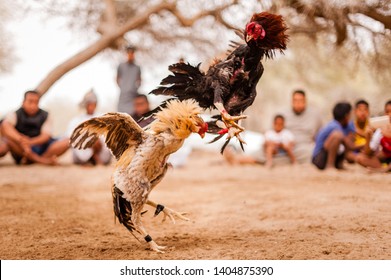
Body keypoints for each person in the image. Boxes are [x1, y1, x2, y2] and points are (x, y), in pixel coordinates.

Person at [1, 90, 69, 165]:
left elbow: (46, 136)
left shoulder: (45, 115)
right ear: (23, 102)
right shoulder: (14, 114)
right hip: (21, 148)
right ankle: (41, 160)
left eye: (36, 102)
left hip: (42, 147)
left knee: (68, 141)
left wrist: (30, 142)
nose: (33, 106)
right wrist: (21, 140)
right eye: (30, 102)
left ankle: (34, 159)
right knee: (7, 140)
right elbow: (5, 126)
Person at [67, 90, 112, 165]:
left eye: (93, 104)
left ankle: (95, 159)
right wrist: (88, 139)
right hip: (83, 148)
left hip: (100, 148)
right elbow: (71, 135)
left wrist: (96, 139)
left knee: (98, 141)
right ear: (85, 105)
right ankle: (91, 160)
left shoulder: (102, 118)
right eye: (89, 104)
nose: (91, 107)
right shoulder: (77, 120)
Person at [312, 102, 355, 170]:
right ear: (346, 116)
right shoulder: (334, 126)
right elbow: (349, 145)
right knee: (337, 136)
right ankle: (330, 165)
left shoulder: (345, 126)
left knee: (343, 138)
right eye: (350, 115)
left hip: (326, 155)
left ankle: (339, 164)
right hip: (319, 158)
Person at [284, 89, 322, 163]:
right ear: (292, 101)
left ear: (305, 101)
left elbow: (319, 135)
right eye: (295, 100)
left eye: (300, 100)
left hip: (306, 146)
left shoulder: (315, 115)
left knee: (312, 152)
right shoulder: (283, 114)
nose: (297, 103)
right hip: (286, 147)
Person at [356, 100, 391, 172]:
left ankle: (384, 169)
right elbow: (368, 153)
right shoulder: (380, 130)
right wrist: (368, 137)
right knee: (360, 158)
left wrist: (389, 135)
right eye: (387, 112)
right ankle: (383, 168)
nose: (390, 115)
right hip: (387, 158)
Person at [116, 45, 142, 115]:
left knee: (132, 115)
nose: (131, 55)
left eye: (132, 53)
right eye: (129, 53)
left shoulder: (137, 68)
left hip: (132, 96)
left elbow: (139, 80)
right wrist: (122, 87)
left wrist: (134, 88)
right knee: (121, 114)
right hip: (123, 95)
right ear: (127, 54)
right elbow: (117, 78)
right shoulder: (121, 66)